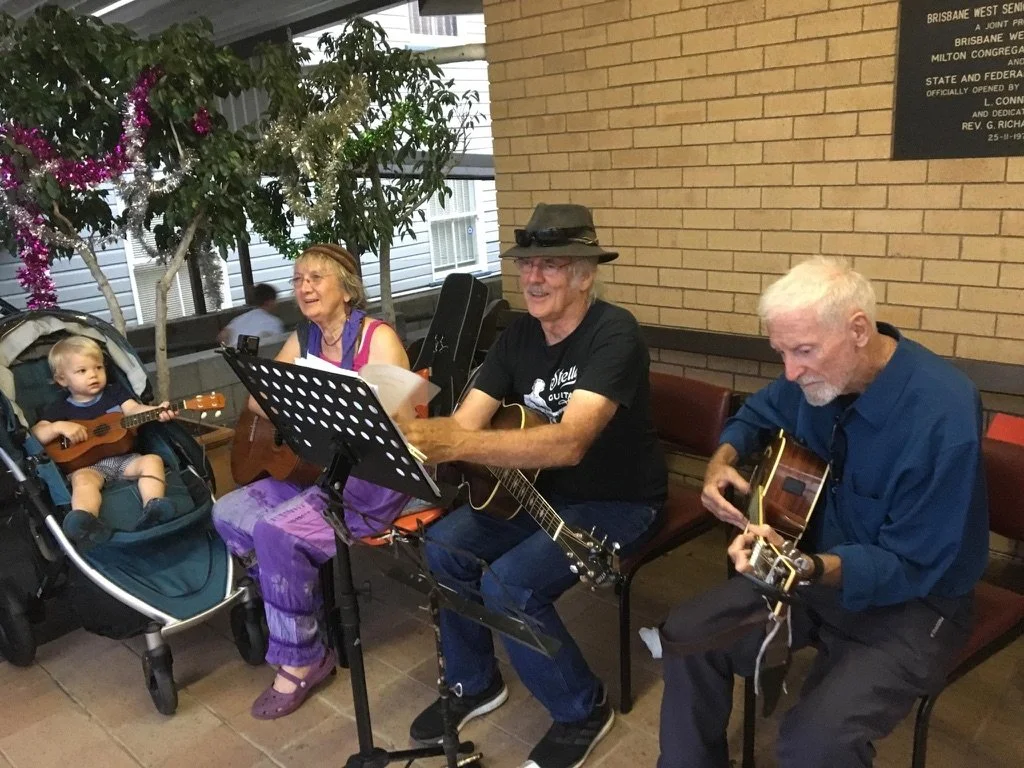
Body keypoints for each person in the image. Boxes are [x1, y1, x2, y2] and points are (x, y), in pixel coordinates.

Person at [656, 257, 988, 768]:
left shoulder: (942, 411)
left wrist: (808, 567)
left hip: (916, 601)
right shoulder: (810, 380)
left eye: (804, 351)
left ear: (858, 329)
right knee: (686, 633)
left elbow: (914, 562)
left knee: (815, 743)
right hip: (814, 573)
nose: (790, 372)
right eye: (781, 352)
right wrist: (720, 462)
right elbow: (756, 414)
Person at [400, 203, 668, 768]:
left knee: (510, 587)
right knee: (444, 549)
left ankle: (582, 710)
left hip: (616, 500)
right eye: (526, 265)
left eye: (551, 264)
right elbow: (465, 423)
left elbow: (570, 442)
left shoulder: (613, 333)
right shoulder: (518, 334)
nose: (533, 277)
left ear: (585, 275)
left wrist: (456, 444)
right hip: (534, 494)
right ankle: (475, 683)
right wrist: (409, 436)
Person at [212, 243, 414, 720]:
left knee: (276, 532)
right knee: (229, 512)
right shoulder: (303, 339)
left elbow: (403, 424)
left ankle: (303, 660)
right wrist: (302, 404)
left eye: (316, 278)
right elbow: (256, 404)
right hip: (315, 469)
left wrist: (338, 408)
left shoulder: (377, 339)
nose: (303, 287)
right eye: (298, 278)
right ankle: (298, 606)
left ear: (347, 289)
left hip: (368, 478)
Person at [31, 336, 178, 546]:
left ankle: (155, 506)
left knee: (152, 460)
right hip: (87, 466)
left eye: (98, 367)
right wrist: (58, 427)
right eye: (82, 371)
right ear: (62, 380)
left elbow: (134, 411)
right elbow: (37, 433)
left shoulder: (114, 392)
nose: (93, 375)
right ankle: (85, 520)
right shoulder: (60, 408)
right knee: (82, 482)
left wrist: (156, 411)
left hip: (125, 459)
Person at [218, 283, 285, 348]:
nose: (277, 304)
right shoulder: (274, 322)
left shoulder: (239, 319)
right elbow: (277, 346)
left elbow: (222, 336)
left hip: (234, 356)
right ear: (269, 302)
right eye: (275, 300)